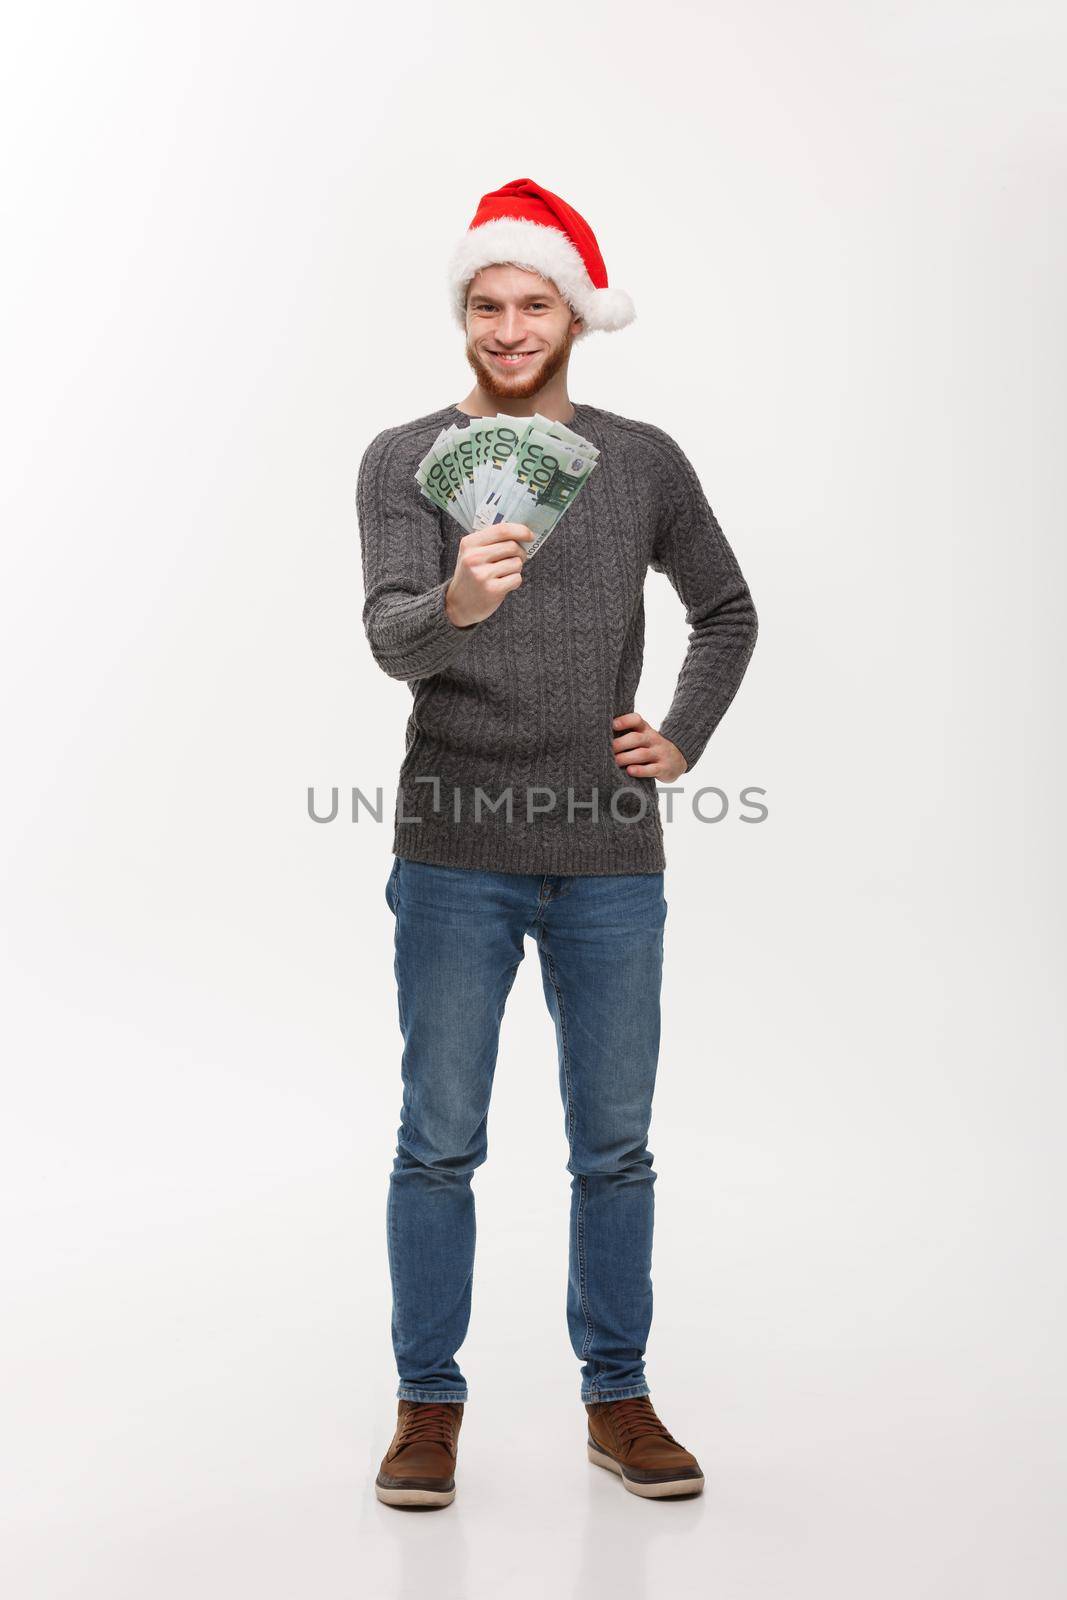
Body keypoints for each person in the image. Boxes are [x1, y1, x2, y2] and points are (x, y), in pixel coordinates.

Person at [356, 178, 759, 1508]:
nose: (510, 327)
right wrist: (457, 600)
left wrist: (683, 739)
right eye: (487, 305)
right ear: (462, 316)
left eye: (533, 304)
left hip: (609, 851)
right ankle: (427, 1405)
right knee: (440, 1138)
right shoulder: (407, 458)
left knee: (615, 1143)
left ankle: (618, 1397)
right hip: (453, 842)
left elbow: (727, 610)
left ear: (574, 314)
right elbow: (386, 636)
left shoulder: (639, 460)